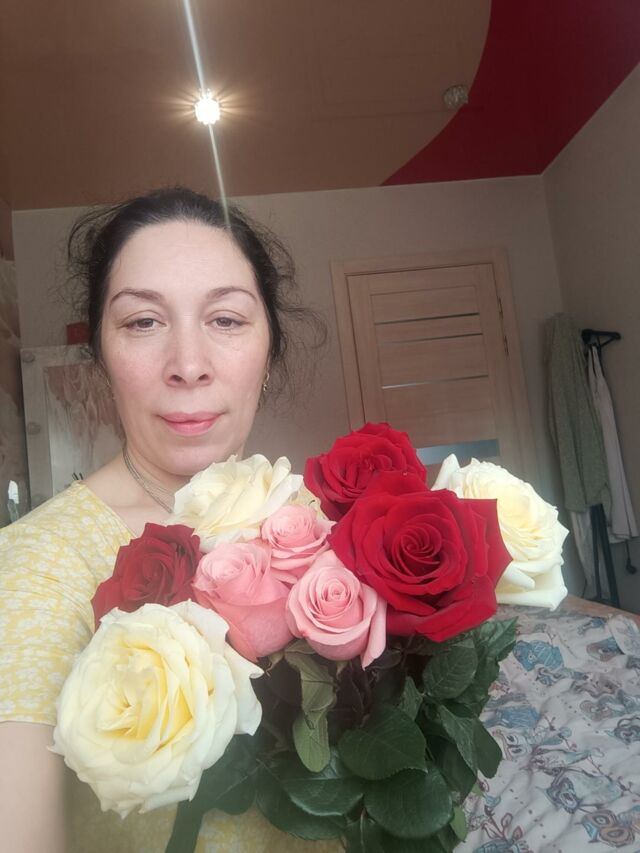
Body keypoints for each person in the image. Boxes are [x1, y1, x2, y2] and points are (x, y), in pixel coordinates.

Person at [0, 187, 335, 853]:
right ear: (101, 356)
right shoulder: (37, 563)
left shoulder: (315, 525)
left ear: (269, 352)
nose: (187, 365)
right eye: (143, 322)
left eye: (227, 320)